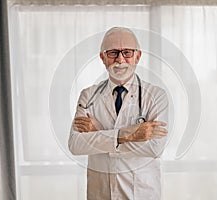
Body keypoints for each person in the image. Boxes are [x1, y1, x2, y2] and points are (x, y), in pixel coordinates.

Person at [68, 27, 169, 200]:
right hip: (100, 193)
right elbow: (76, 145)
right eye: (113, 53)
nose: (120, 59)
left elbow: (155, 148)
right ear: (103, 58)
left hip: (141, 193)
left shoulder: (156, 95)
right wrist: (127, 135)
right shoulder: (88, 95)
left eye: (127, 52)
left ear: (137, 56)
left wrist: (98, 133)